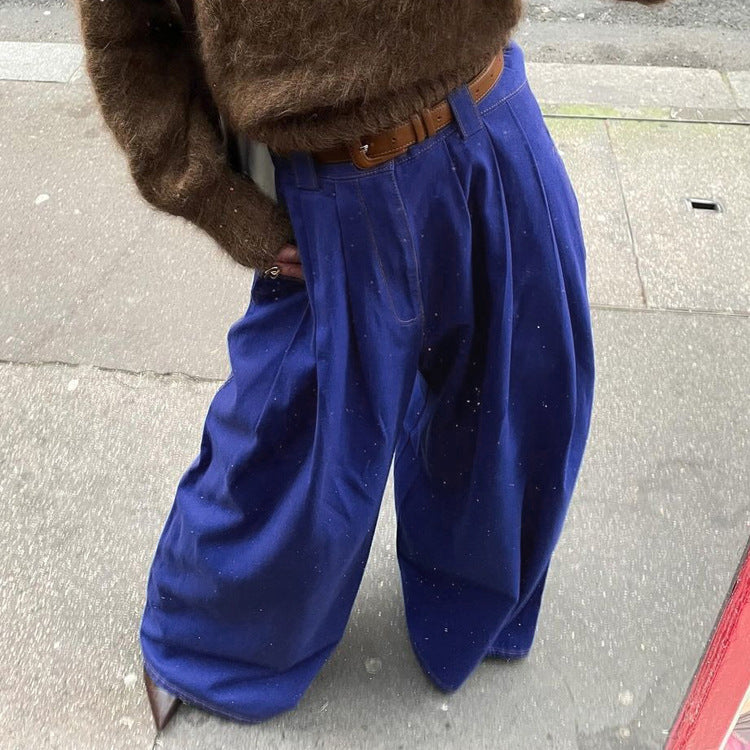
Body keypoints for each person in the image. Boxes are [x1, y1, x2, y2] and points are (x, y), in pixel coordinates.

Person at [74, 0, 665, 731]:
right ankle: (211, 649)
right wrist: (211, 196)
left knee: (515, 402)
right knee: (292, 444)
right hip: (331, 186)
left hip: (491, 120)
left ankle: (469, 604)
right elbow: (128, 36)